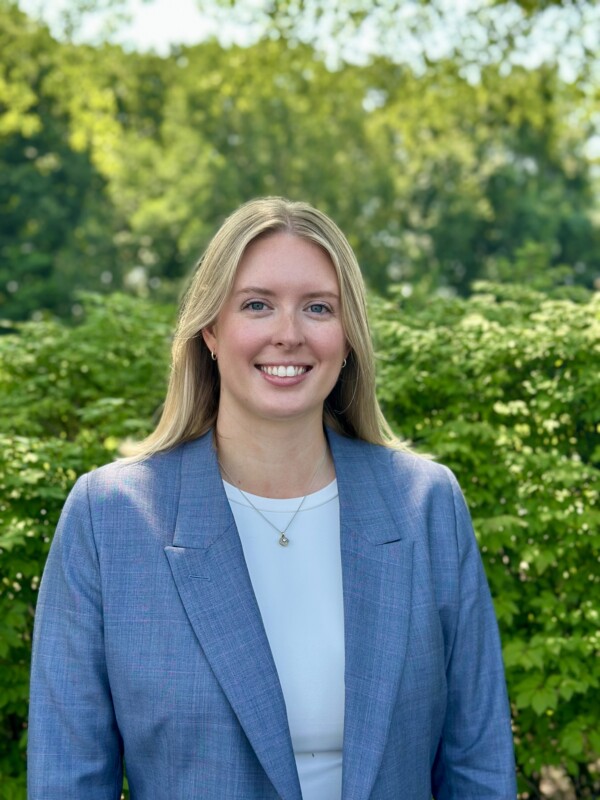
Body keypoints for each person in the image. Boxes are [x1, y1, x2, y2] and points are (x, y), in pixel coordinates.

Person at [28, 197, 517, 799]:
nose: (289, 334)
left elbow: (479, 766)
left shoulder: (426, 506)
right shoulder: (110, 518)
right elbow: (66, 780)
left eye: (318, 308)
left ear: (349, 336)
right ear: (210, 329)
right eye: (257, 305)